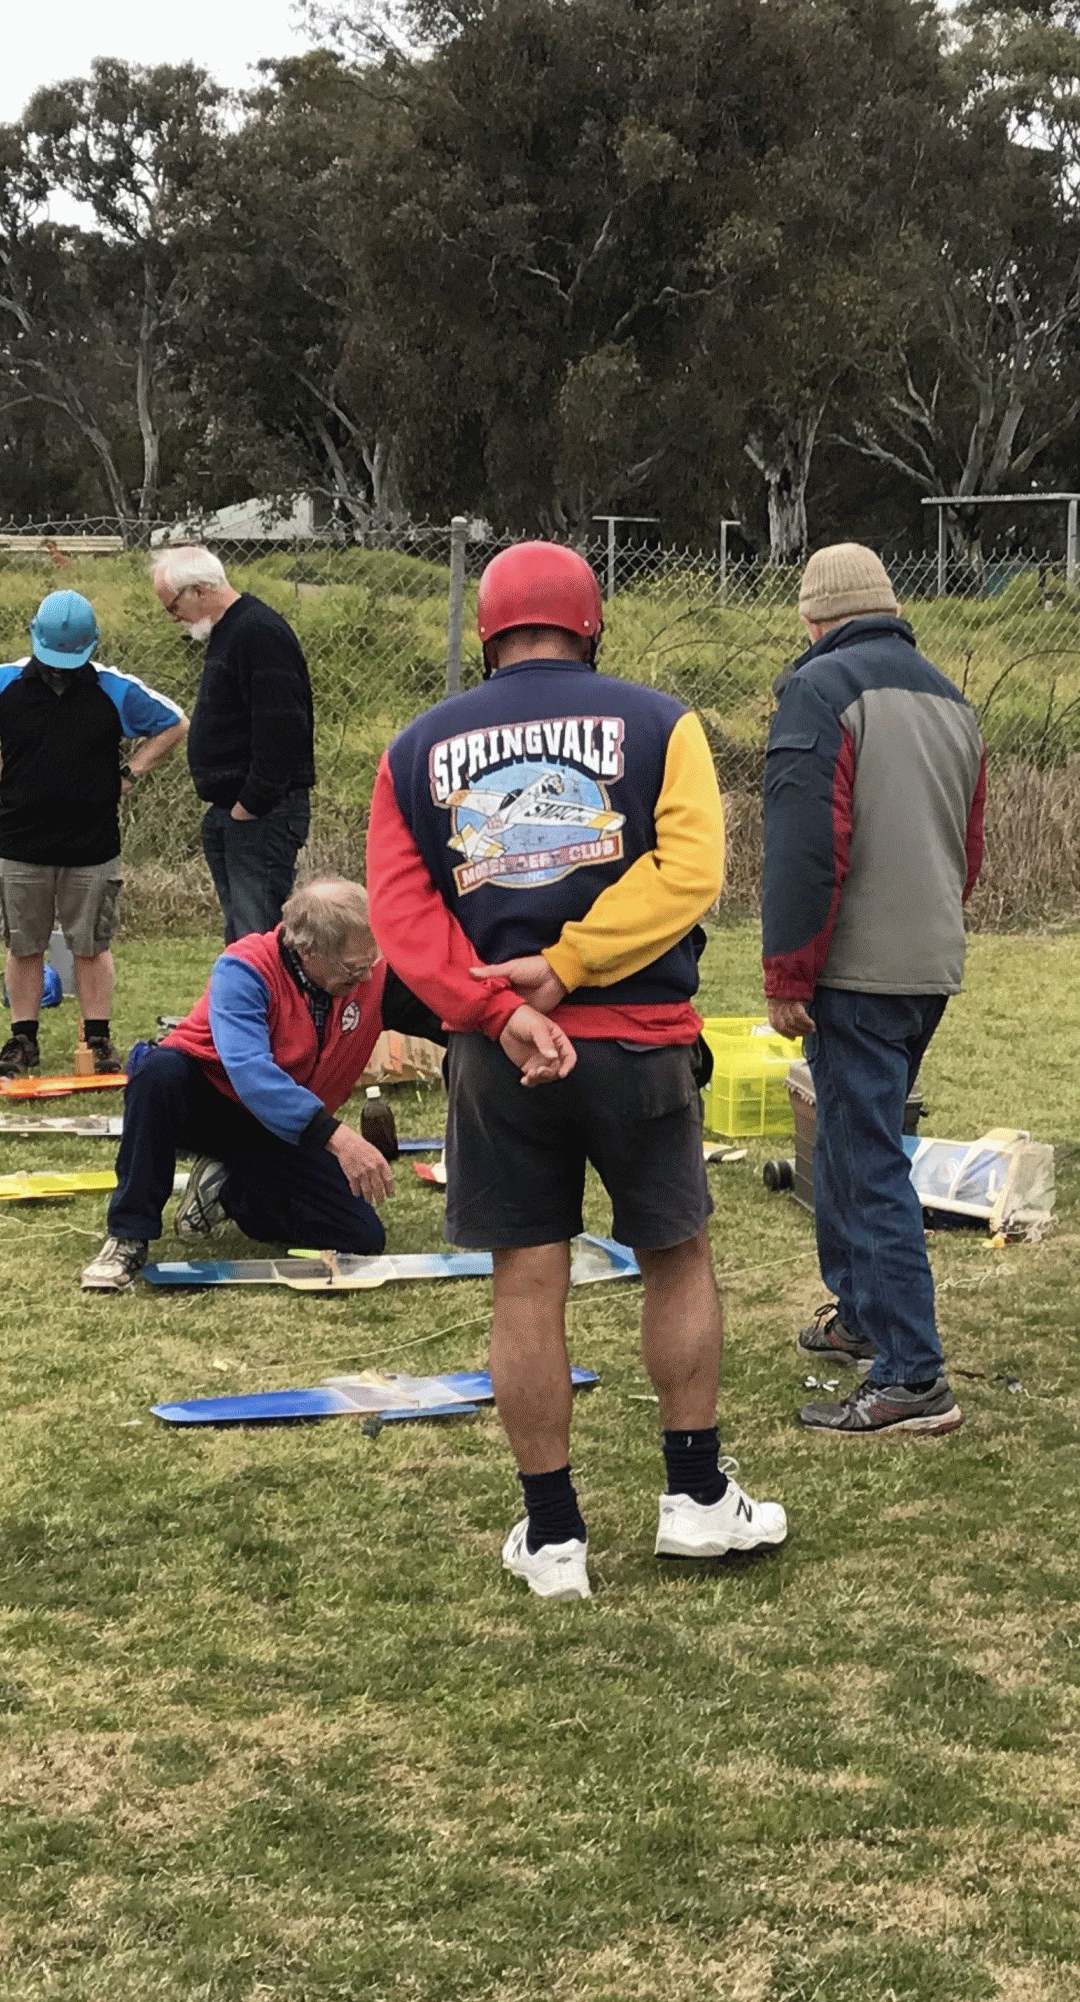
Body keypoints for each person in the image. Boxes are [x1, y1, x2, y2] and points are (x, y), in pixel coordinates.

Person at [367, 538, 788, 1601]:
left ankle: (553, 1535)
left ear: (487, 632)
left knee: (525, 1279)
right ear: (590, 623)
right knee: (675, 1257)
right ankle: (694, 1497)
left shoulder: (413, 747)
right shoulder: (662, 722)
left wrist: (499, 1009)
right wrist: (571, 966)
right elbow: (689, 872)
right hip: (638, 1037)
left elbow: (402, 916)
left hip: (495, 1056)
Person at [761, 542, 987, 1438]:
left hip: (856, 965)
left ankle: (911, 1374)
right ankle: (860, 1314)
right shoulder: (951, 698)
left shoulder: (818, 691)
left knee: (867, 1159)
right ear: (891, 608)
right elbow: (969, 845)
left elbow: (806, 843)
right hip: (929, 958)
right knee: (851, 1141)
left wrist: (788, 971)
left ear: (812, 618)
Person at [82, 876, 418, 1293]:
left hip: (280, 1126)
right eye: (353, 968)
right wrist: (338, 1138)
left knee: (360, 1236)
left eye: (372, 960)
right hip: (210, 1104)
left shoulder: (373, 977)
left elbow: (445, 1014)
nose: (367, 977)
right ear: (308, 950)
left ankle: (230, 1192)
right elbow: (250, 1072)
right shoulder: (244, 968)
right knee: (158, 1073)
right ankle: (128, 1235)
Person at [0, 588, 186, 1078]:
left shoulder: (115, 690)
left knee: (91, 945)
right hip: (21, 841)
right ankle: (23, 1038)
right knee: (24, 945)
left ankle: (98, 1038)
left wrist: (131, 773)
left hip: (93, 845)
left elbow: (174, 723)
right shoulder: (2, 684)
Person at [154, 544, 316, 943]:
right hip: (233, 810)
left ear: (198, 590)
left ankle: (264, 989)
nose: (173, 618)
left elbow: (282, 727)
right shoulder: (231, 631)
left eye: (173, 606)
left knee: (256, 937)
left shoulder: (257, 632)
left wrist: (251, 804)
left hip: (261, 814)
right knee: (241, 937)